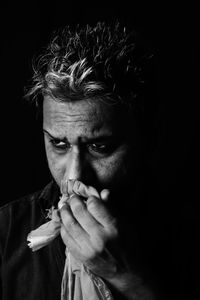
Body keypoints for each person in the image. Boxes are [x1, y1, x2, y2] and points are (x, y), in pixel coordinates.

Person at [0, 21, 159, 300]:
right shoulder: (6, 232)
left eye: (100, 147)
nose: (74, 176)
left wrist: (125, 276)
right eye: (59, 144)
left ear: (144, 137)